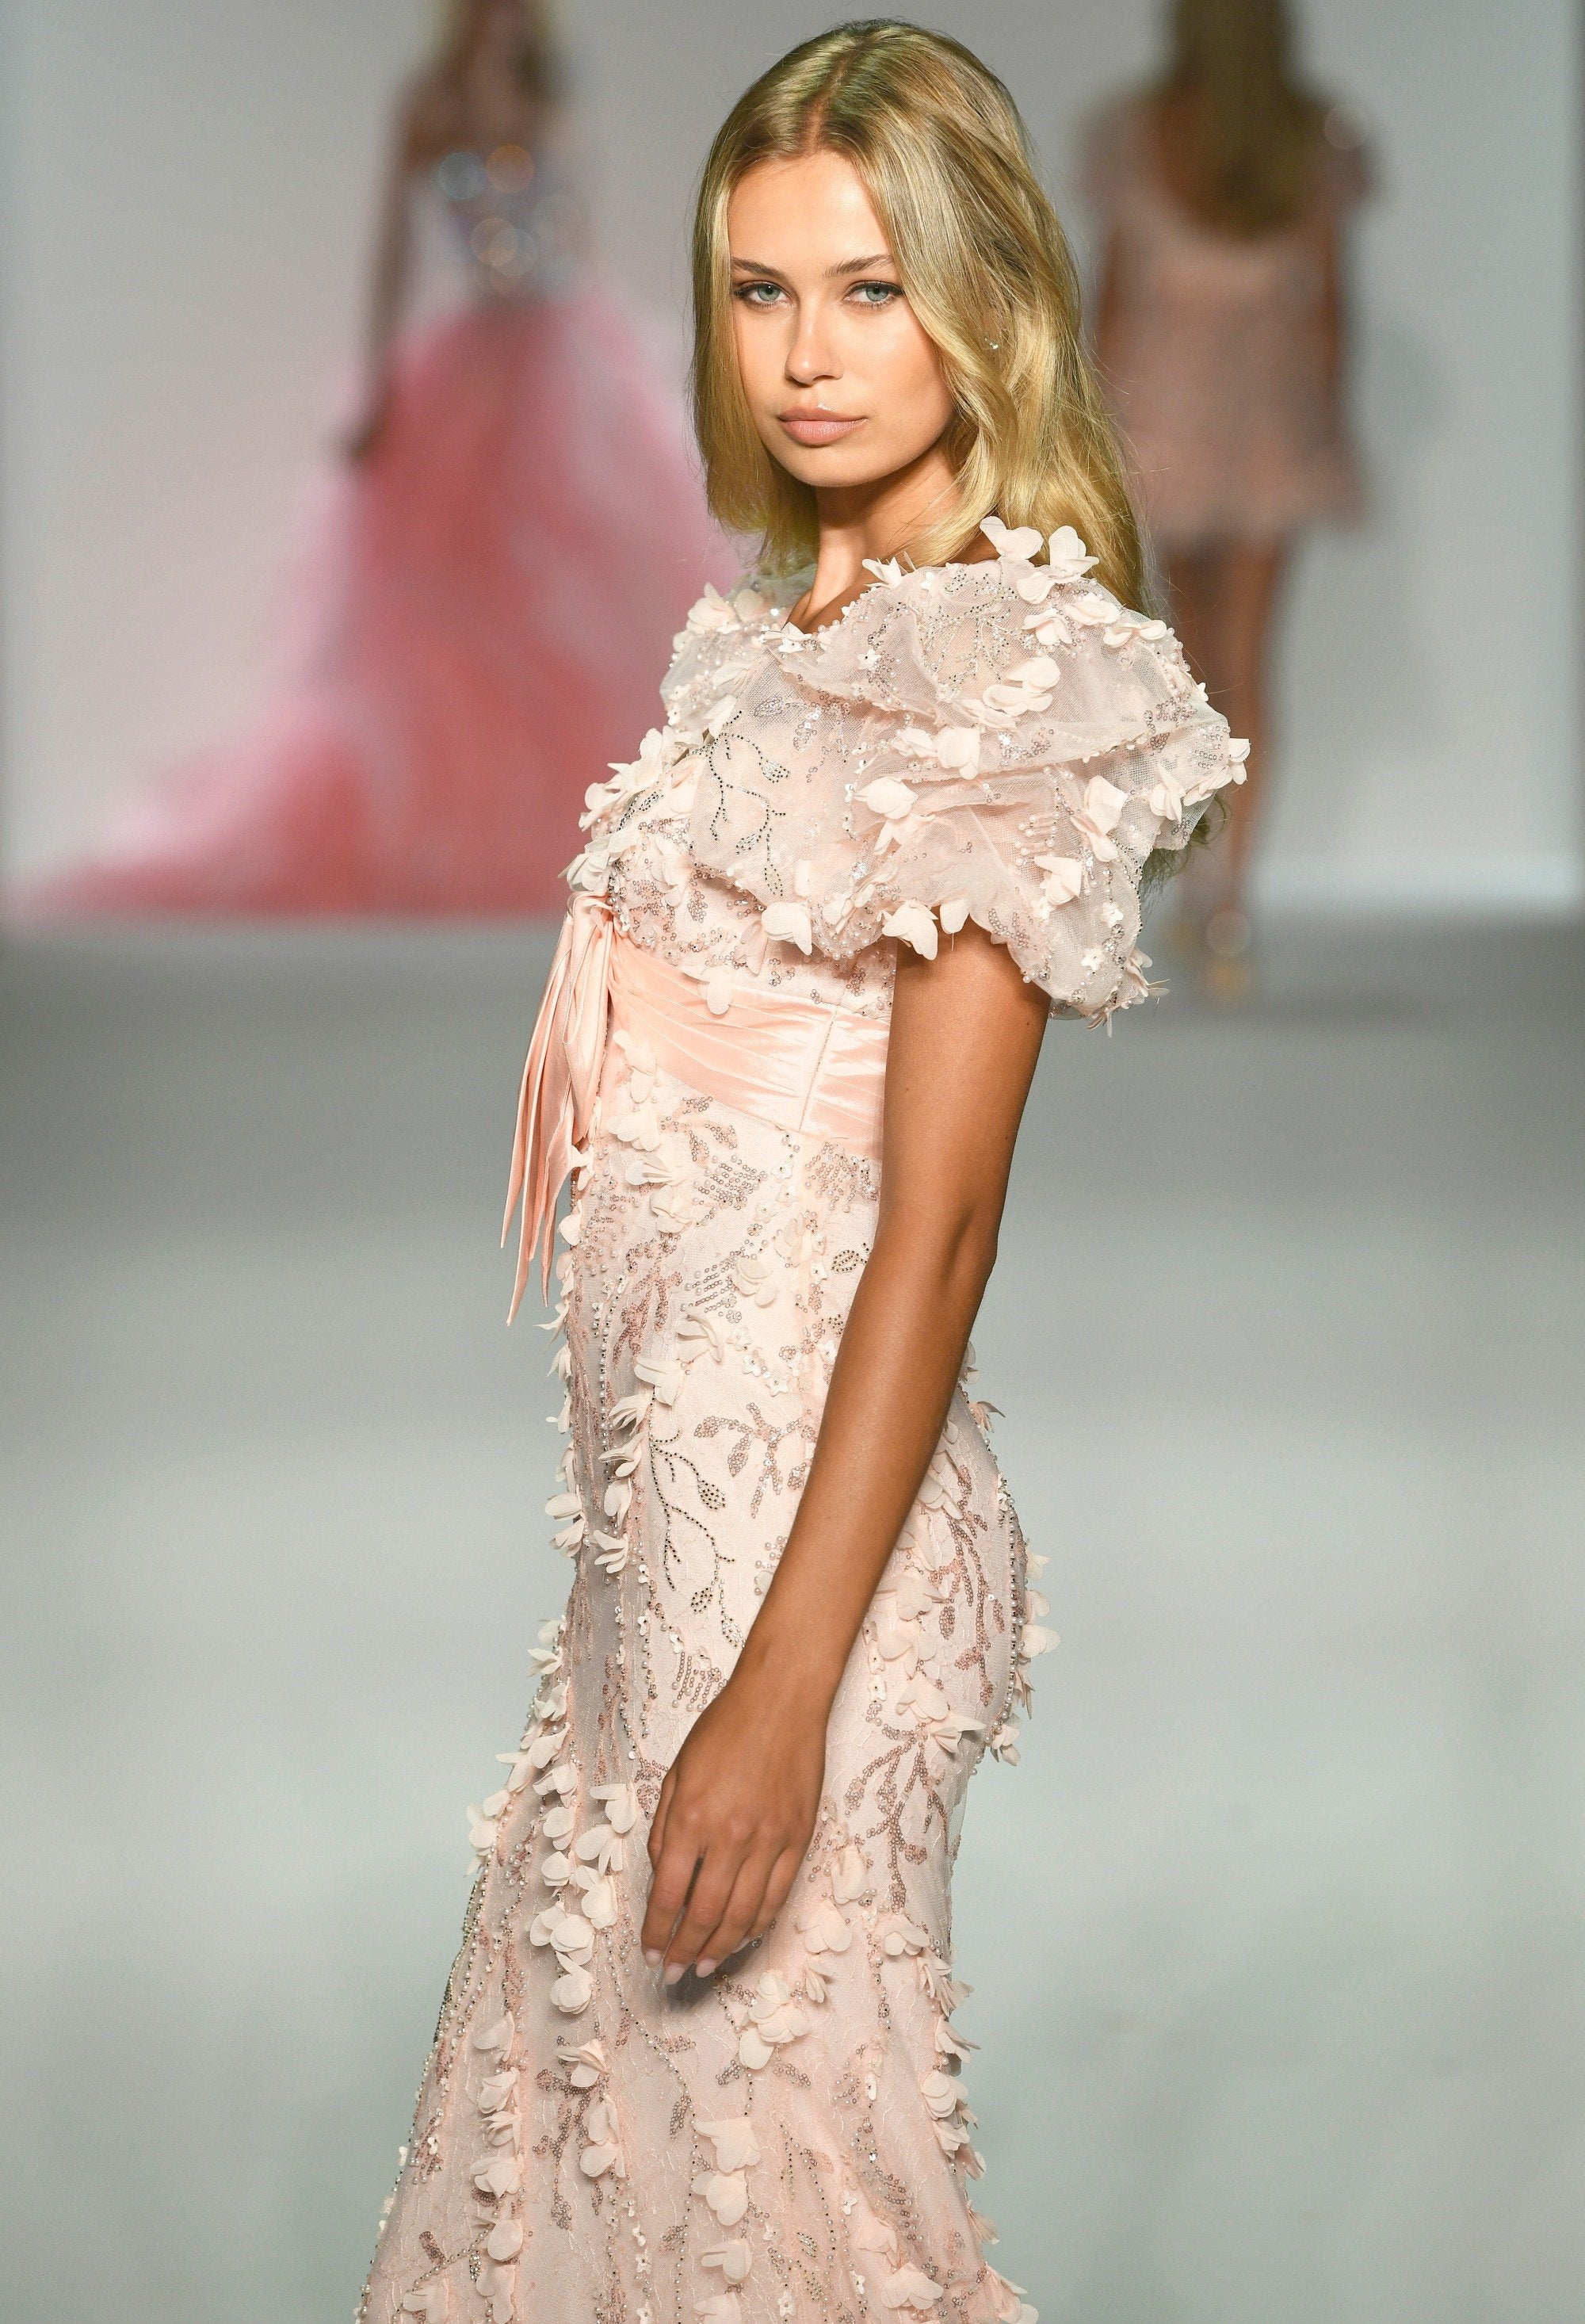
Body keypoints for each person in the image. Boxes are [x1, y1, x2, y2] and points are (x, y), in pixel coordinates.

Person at [359, 22, 1243, 2322]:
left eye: (869, 289)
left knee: (787, 2219)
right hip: (658, 1530)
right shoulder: (784, 633)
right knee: (592, 2191)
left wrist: (777, 1687)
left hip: (798, 1563)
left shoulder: (1003, 672)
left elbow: (938, 1223)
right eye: (758, 292)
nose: (807, 354)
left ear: (981, 299)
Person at [19, 0, 728, 919]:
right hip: (476, 362)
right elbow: (394, 252)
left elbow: (572, 231)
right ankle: (458, 829)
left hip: (563, 354)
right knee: (451, 594)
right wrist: (380, 379)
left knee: (577, 592)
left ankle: (602, 824)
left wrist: (610, 358)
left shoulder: (548, 96)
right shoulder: (431, 108)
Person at [1087, 0, 1369, 997]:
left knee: (1191, 665)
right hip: (1261, 431)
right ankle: (1224, 904)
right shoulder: (1306, 139)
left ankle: (1204, 887)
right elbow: (1326, 312)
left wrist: (1087, 433)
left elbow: (1113, 304)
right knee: (1233, 666)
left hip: (1169, 431)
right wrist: (1323, 425)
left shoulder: (1140, 132)